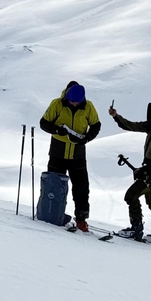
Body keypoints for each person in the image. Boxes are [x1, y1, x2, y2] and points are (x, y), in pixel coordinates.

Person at [109, 101, 151, 245]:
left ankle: (136, 229)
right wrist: (116, 116)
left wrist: (145, 170)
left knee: (131, 195)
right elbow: (130, 125)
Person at [40, 81, 101, 231]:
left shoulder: (88, 106)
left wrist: (86, 138)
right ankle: (52, 214)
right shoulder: (57, 104)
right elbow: (43, 123)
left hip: (77, 154)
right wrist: (56, 130)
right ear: (67, 96)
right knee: (54, 185)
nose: (74, 104)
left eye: (77, 102)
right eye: (72, 101)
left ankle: (81, 219)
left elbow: (96, 125)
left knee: (81, 188)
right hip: (57, 152)